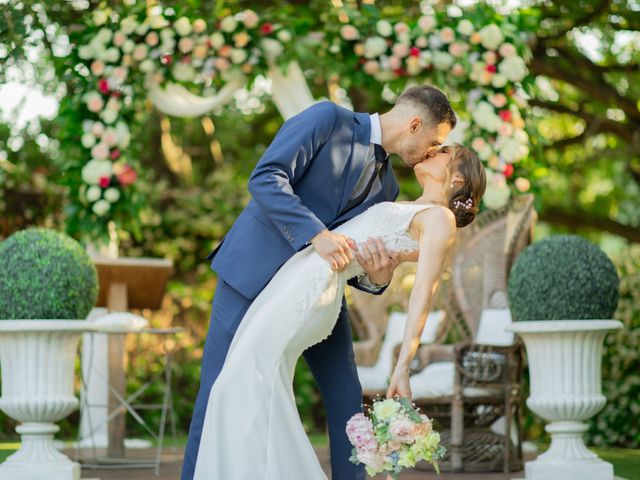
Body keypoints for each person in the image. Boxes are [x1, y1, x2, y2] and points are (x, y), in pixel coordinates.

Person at [182, 85, 457, 480]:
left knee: (345, 392)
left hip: (318, 296)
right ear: (414, 125)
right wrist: (317, 234)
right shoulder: (328, 119)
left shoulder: (390, 188)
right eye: (434, 142)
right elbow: (266, 177)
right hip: (252, 274)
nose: (432, 152)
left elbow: (361, 264)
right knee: (217, 391)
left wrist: (379, 277)